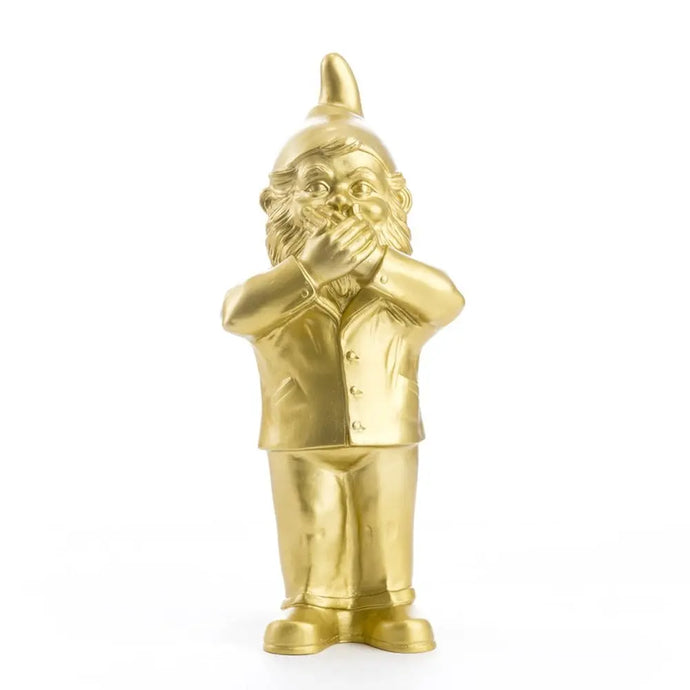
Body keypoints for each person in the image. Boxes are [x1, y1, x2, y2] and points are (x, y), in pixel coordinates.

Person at [222, 53, 464, 654]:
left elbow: (448, 301)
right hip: (302, 436)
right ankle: (313, 605)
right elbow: (237, 313)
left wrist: (378, 261)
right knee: (313, 522)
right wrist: (310, 270)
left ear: (396, 200)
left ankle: (387, 604)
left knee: (386, 523)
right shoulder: (279, 292)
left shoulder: (401, 288)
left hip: (387, 433)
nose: (341, 204)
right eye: (318, 188)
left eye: (362, 188)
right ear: (276, 203)